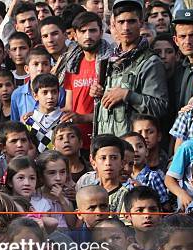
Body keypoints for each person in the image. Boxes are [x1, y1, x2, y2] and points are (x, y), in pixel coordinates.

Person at [94, 0, 168, 137]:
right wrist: (99, 93)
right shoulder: (108, 60)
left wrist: (127, 95)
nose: (126, 27)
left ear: (141, 23)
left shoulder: (151, 62)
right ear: (114, 24)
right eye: (121, 22)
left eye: (131, 21)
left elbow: (159, 107)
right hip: (106, 145)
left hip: (133, 148)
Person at [61, 11, 112, 152]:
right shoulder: (72, 64)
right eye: (83, 31)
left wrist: (84, 118)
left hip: (102, 140)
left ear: (101, 32)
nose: (88, 36)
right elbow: (69, 107)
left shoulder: (112, 63)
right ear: (75, 35)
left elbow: (115, 111)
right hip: (75, 143)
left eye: (93, 30)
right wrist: (39, 114)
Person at [77, 134, 129, 214]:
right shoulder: (86, 188)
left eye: (114, 158)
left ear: (122, 162)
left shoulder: (127, 195)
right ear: (93, 161)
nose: (108, 163)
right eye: (103, 158)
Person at [122, 132, 169, 208]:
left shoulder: (153, 177)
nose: (135, 150)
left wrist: (144, 191)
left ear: (146, 152)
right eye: (130, 147)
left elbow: (165, 206)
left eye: (139, 146)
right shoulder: (121, 178)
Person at [124, 186, 163, 250]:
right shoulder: (123, 248)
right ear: (128, 216)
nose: (147, 215)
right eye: (139, 211)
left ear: (160, 214)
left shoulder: (169, 245)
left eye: (153, 210)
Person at [27, 74, 64, 154]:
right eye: (45, 92)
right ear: (35, 95)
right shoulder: (29, 122)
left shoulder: (65, 119)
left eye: (54, 92)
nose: (50, 96)